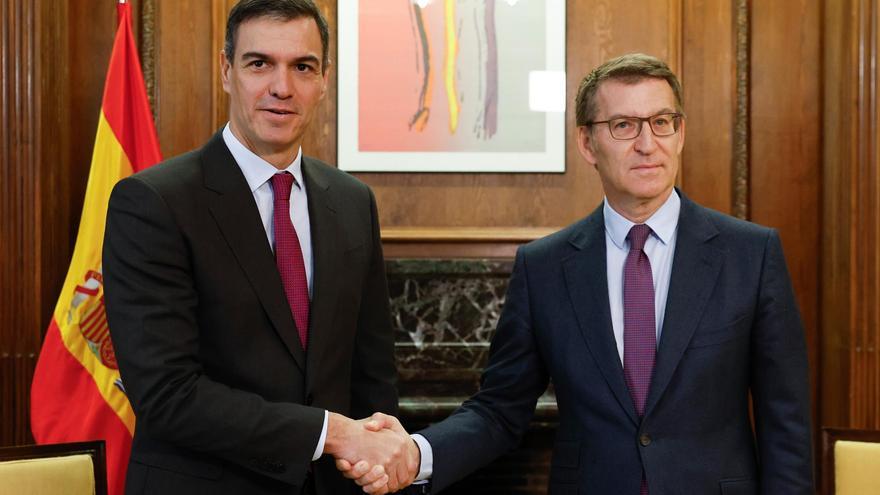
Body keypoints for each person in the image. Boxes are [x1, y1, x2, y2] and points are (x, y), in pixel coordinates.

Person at [342, 53, 813, 494]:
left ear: (681, 133)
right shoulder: (544, 267)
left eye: (662, 123)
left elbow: (785, 421)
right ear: (588, 142)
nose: (647, 144)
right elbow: (500, 410)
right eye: (624, 125)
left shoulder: (751, 254)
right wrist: (417, 454)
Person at [103, 1, 415, 493]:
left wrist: (379, 455)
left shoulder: (353, 202)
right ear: (227, 71)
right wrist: (331, 433)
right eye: (259, 63)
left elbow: (372, 373)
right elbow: (166, 395)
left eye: (303, 67)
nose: (282, 87)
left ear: (324, 80)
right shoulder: (154, 202)